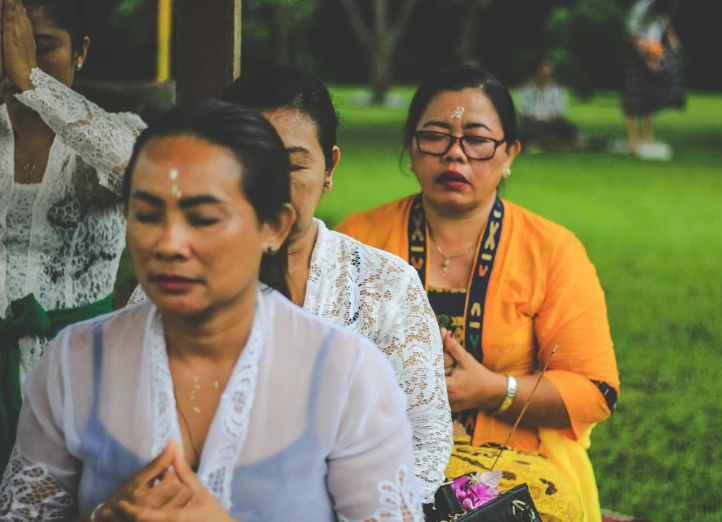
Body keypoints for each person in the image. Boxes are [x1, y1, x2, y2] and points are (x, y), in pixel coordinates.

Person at [0, 100, 425, 522]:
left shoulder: (345, 375)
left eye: (202, 218)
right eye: (147, 214)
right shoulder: (75, 362)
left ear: (272, 227)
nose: (168, 243)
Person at [128, 65, 452, 504]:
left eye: (294, 165)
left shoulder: (386, 285)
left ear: (329, 167)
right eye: (250, 163)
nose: (271, 185)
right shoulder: (174, 280)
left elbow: (424, 445)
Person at [336, 64, 620, 522]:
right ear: (411, 147)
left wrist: (493, 390)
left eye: (477, 139)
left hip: (512, 462)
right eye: (435, 136)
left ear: (509, 154)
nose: (454, 155)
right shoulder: (358, 239)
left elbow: (596, 389)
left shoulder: (551, 250)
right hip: (378, 454)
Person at [0, 0, 145, 470]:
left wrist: (32, 82)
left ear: (81, 51)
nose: (18, 59)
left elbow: (140, 171)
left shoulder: (117, 133)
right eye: (8, 48)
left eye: (41, 48)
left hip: (79, 376)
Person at [623, 0, 685, 154]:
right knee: (633, 98)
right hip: (636, 52)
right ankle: (633, 141)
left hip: (654, 49)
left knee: (650, 97)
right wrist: (647, 60)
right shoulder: (642, 8)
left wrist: (672, 37)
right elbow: (632, 35)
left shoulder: (663, 8)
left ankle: (647, 138)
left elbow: (666, 20)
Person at [518, 59, 579, 151]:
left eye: (547, 75)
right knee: (525, 130)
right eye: (542, 74)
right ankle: (549, 142)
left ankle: (548, 142)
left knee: (567, 128)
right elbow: (524, 111)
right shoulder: (526, 91)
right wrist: (537, 118)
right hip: (534, 123)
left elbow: (560, 111)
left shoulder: (558, 91)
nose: (544, 78)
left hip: (552, 122)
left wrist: (547, 119)